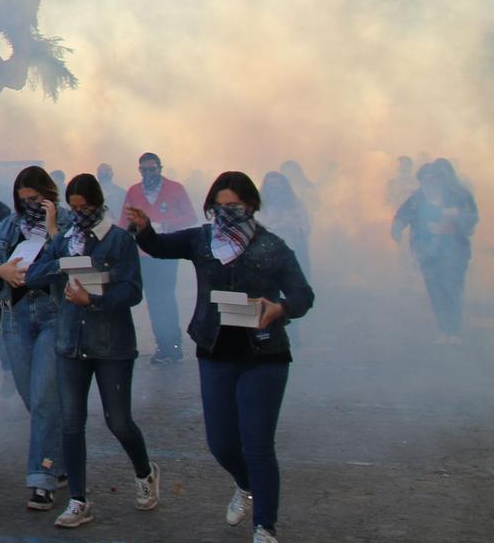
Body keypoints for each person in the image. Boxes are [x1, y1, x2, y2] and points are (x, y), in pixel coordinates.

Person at [127, 171, 314, 543]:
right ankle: (245, 484)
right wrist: (144, 229)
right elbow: (161, 247)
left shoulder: (272, 246)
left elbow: (303, 295)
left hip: (264, 354)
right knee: (221, 442)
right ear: (211, 207)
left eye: (235, 206)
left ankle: (265, 526)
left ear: (251, 206)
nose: (227, 212)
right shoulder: (201, 239)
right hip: (215, 351)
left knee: (258, 442)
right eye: (220, 206)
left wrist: (280, 309)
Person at [28, 172, 159, 530]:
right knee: (71, 422)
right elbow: (33, 273)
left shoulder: (119, 241)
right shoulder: (65, 239)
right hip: (70, 343)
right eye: (72, 208)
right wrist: (61, 265)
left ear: (99, 205)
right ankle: (78, 499)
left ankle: (145, 472)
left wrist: (95, 299)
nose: (78, 214)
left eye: (84, 207)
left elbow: (133, 291)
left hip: (112, 344)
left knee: (118, 420)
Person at [0, 166, 66, 512]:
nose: (29, 204)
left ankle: (40, 480)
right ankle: (57, 459)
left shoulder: (67, 223)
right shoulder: (4, 228)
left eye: (36, 198)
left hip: (53, 315)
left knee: (45, 395)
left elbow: (77, 261)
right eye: (24, 199)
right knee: (32, 396)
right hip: (14, 317)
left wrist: (53, 231)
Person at [391, 158, 479, 343]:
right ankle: (444, 329)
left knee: (452, 288)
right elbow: (402, 214)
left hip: (456, 252)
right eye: (424, 180)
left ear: (441, 179)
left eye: (433, 179)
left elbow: (472, 218)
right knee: (435, 291)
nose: (428, 184)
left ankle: (454, 331)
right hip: (427, 253)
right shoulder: (418, 197)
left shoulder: (460, 195)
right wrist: (397, 228)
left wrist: (455, 220)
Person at [122, 152, 194, 364]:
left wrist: (166, 223)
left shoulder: (176, 189)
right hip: (143, 254)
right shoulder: (134, 191)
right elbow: (123, 222)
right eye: (143, 170)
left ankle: (173, 344)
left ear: (160, 169)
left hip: (168, 251)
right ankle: (163, 344)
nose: (148, 174)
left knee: (166, 297)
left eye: (152, 169)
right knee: (153, 299)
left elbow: (190, 216)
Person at [258, 172, 312, 277]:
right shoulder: (260, 206)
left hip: (296, 249)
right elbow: (257, 228)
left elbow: (306, 227)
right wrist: (275, 227)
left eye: (278, 184)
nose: (275, 188)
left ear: (284, 186)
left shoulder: (296, 204)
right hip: (268, 252)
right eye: (271, 185)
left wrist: (292, 228)